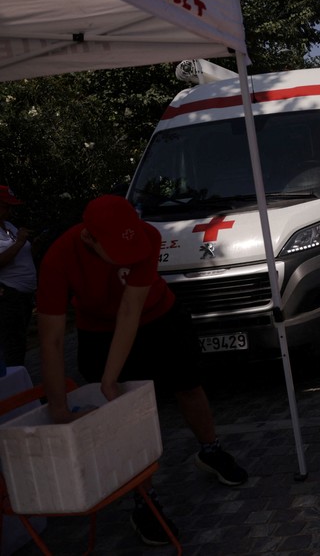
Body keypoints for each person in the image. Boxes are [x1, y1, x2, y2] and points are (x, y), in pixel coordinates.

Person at [37, 195, 248, 546]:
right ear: (89, 238)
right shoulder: (59, 257)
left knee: (188, 384)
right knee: (124, 413)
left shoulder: (147, 237)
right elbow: (52, 340)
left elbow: (131, 310)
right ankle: (143, 498)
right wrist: (59, 406)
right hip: (98, 330)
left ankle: (210, 449)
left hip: (159, 315)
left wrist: (109, 376)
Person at [0, 186, 37, 374]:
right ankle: (15, 389)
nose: (10, 211)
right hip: (9, 296)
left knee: (19, 342)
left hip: (23, 296)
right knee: (12, 346)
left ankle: (20, 381)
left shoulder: (9, 227)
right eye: (6, 206)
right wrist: (20, 242)